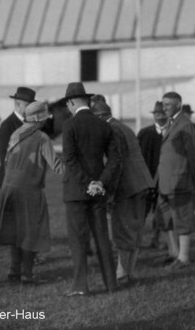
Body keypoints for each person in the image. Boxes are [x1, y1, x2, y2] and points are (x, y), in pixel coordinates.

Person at [60, 82, 121, 296]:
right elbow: (115, 159)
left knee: (78, 240)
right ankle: (111, 284)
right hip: (98, 191)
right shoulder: (104, 125)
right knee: (102, 237)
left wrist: (87, 183)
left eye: (67, 103)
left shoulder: (69, 125)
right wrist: (100, 182)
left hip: (76, 191)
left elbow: (69, 159)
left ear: (72, 102)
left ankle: (80, 286)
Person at [0, 102, 63, 284]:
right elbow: (56, 165)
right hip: (29, 190)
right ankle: (27, 274)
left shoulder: (16, 134)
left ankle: (14, 271)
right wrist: (77, 175)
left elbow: (8, 161)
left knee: (15, 232)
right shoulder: (41, 137)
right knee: (31, 232)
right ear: (40, 119)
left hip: (9, 188)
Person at [91, 101, 153, 285]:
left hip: (127, 187)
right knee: (133, 230)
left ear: (99, 116)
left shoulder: (112, 130)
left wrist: (110, 194)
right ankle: (128, 273)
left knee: (123, 231)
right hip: (140, 183)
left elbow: (116, 163)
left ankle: (122, 275)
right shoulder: (123, 127)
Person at [158, 92, 195, 270]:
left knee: (182, 219)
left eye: (168, 104)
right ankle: (174, 253)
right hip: (166, 182)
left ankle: (183, 258)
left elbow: (193, 156)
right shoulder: (171, 123)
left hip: (180, 181)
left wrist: (191, 180)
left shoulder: (185, 124)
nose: (164, 107)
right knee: (167, 218)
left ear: (178, 105)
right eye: (163, 104)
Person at [137, 101, 168, 250]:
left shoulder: (171, 133)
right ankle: (136, 241)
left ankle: (155, 238)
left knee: (160, 212)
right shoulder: (144, 133)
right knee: (141, 212)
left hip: (164, 181)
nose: (160, 117)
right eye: (157, 114)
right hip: (145, 181)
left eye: (162, 114)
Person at [0, 87, 37, 189]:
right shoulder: (7, 126)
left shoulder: (31, 124)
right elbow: (5, 158)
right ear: (17, 104)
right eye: (28, 106)